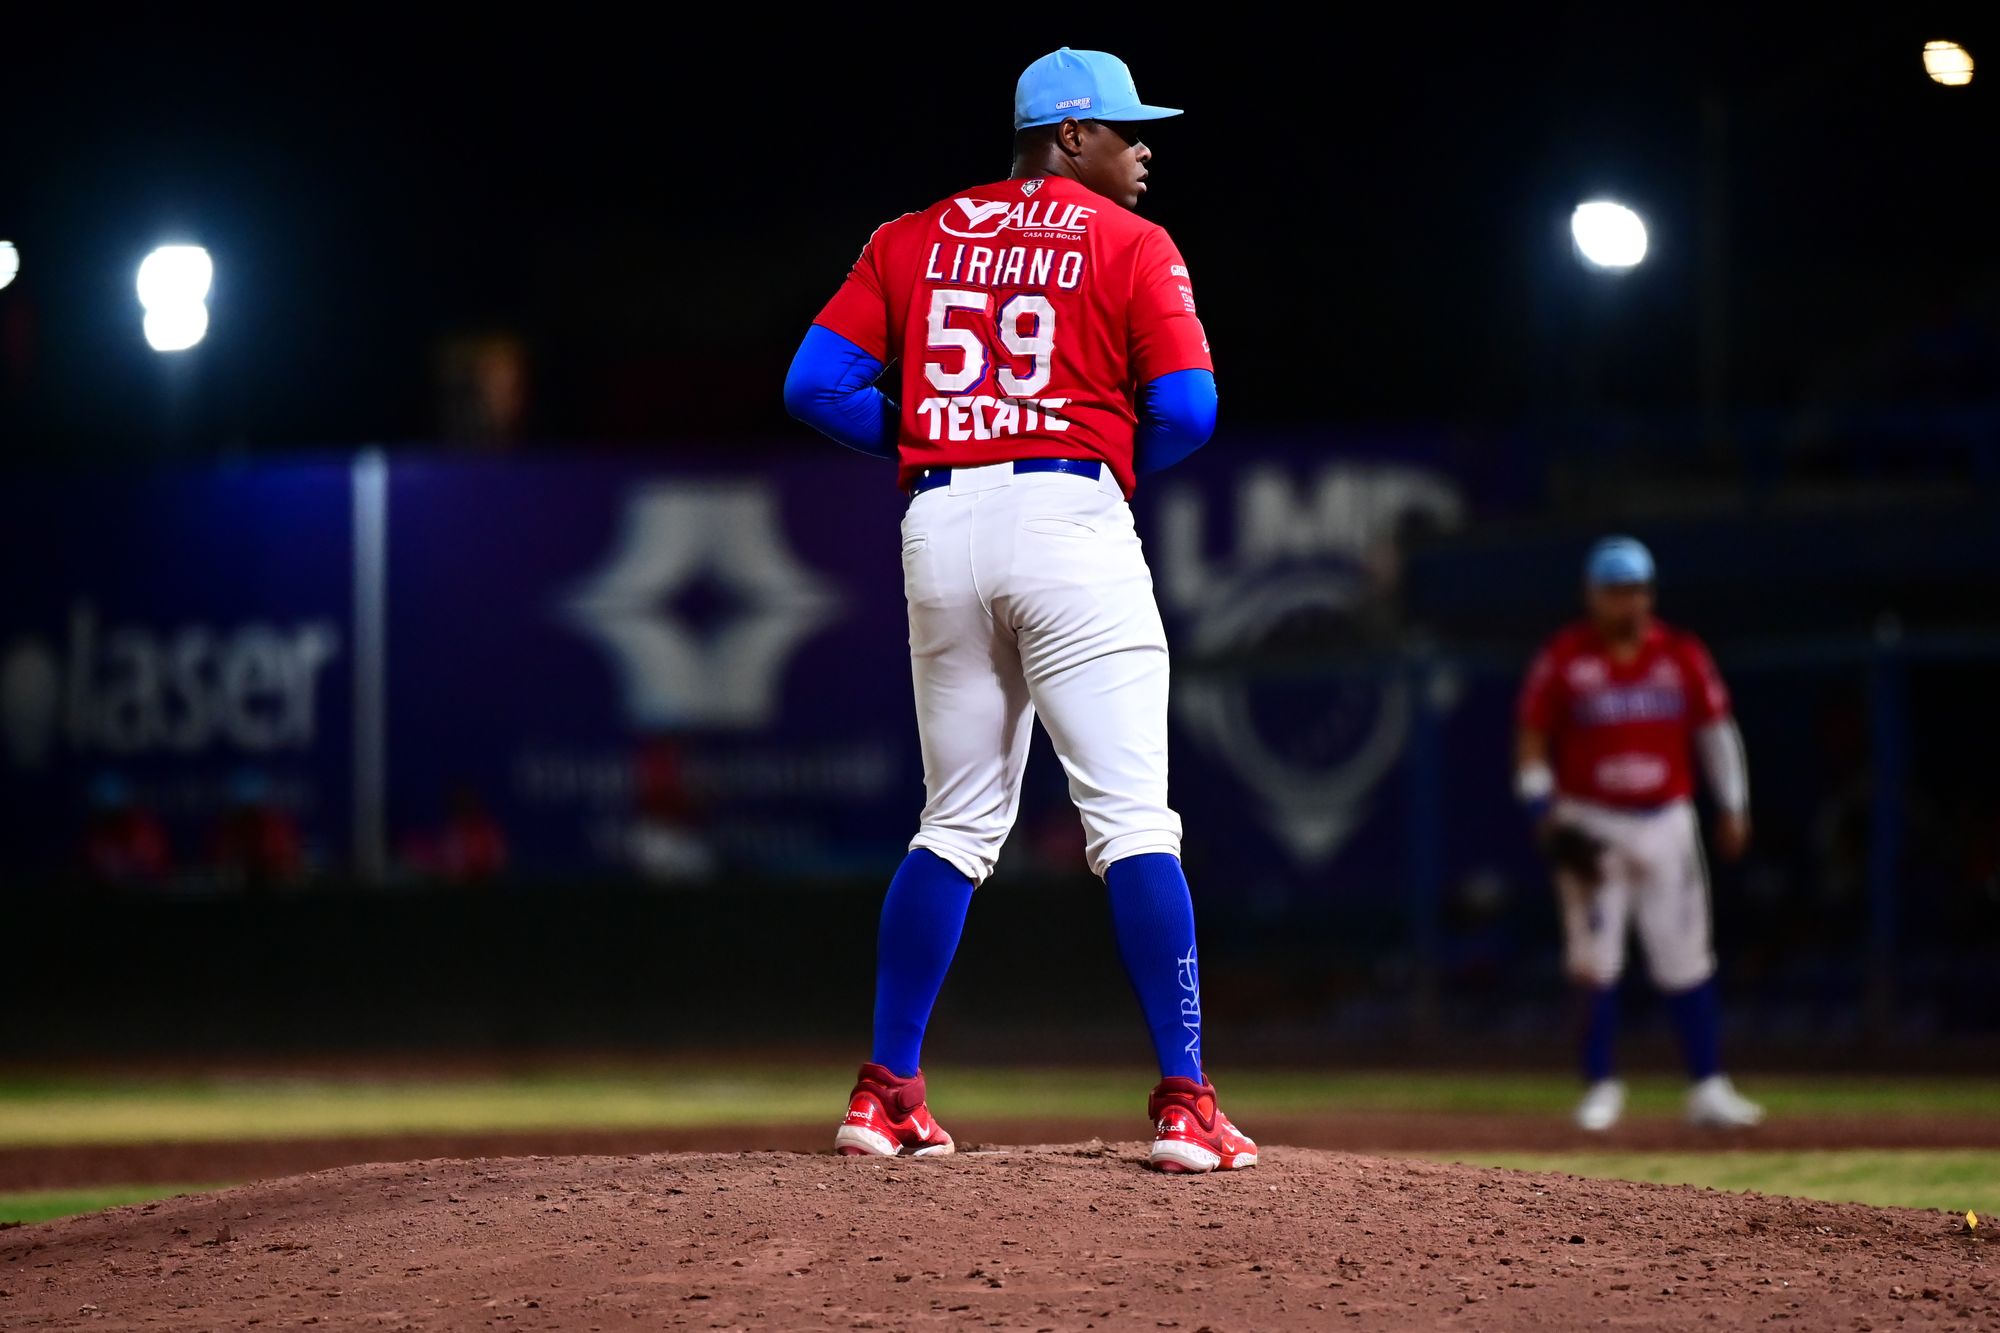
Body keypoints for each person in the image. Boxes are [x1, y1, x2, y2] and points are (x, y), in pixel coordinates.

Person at [783, 48, 1253, 1173]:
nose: (1144, 151)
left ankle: (885, 1091)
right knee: (1133, 821)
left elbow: (812, 384)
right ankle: (1186, 1101)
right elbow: (1188, 407)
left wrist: (937, 436)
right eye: (1129, 131)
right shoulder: (1131, 242)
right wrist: (1082, 450)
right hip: (1066, 512)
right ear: (1070, 133)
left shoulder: (906, 236)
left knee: (953, 822)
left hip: (939, 521)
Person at [1516, 537, 1765, 1132]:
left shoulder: (1680, 654)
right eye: (1615, 591)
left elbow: (1715, 731)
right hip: (1591, 820)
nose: (1628, 603)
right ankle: (1600, 1086)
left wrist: (1733, 803)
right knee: (1593, 960)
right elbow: (1531, 739)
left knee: (1686, 954)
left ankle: (1708, 1085)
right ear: (1592, 596)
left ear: (1650, 594)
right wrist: (1541, 811)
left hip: (1665, 819)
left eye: (1637, 591)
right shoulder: (1565, 658)